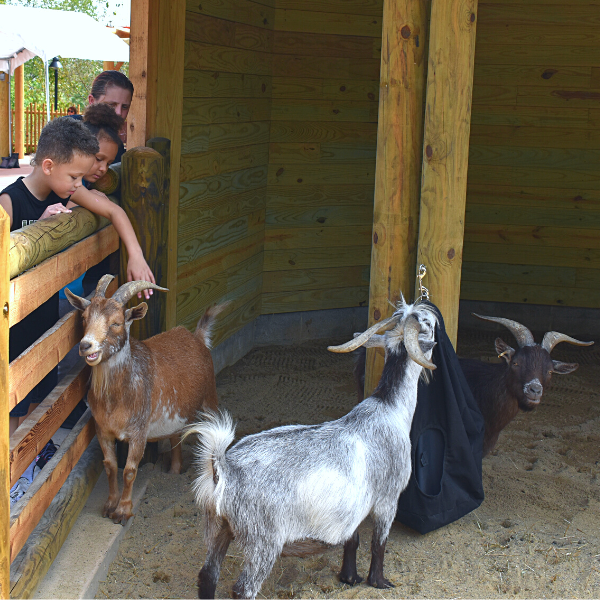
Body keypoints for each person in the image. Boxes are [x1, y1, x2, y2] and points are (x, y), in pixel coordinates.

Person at [0, 116, 154, 434]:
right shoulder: (9, 202)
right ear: (48, 165)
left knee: (38, 390)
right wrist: (42, 225)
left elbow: (114, 211)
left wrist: (136, 256)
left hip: (42, 313)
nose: (78, 185)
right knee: (12, 397)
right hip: (12, 320)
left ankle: (29, 460)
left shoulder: (66, 192)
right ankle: (13, 475)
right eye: (74, 176)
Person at [87, 70, 134, 162]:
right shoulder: (66, 132)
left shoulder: (118, 148)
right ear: (92, 101)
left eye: (124, 107)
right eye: (111, 105)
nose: (118, 113)